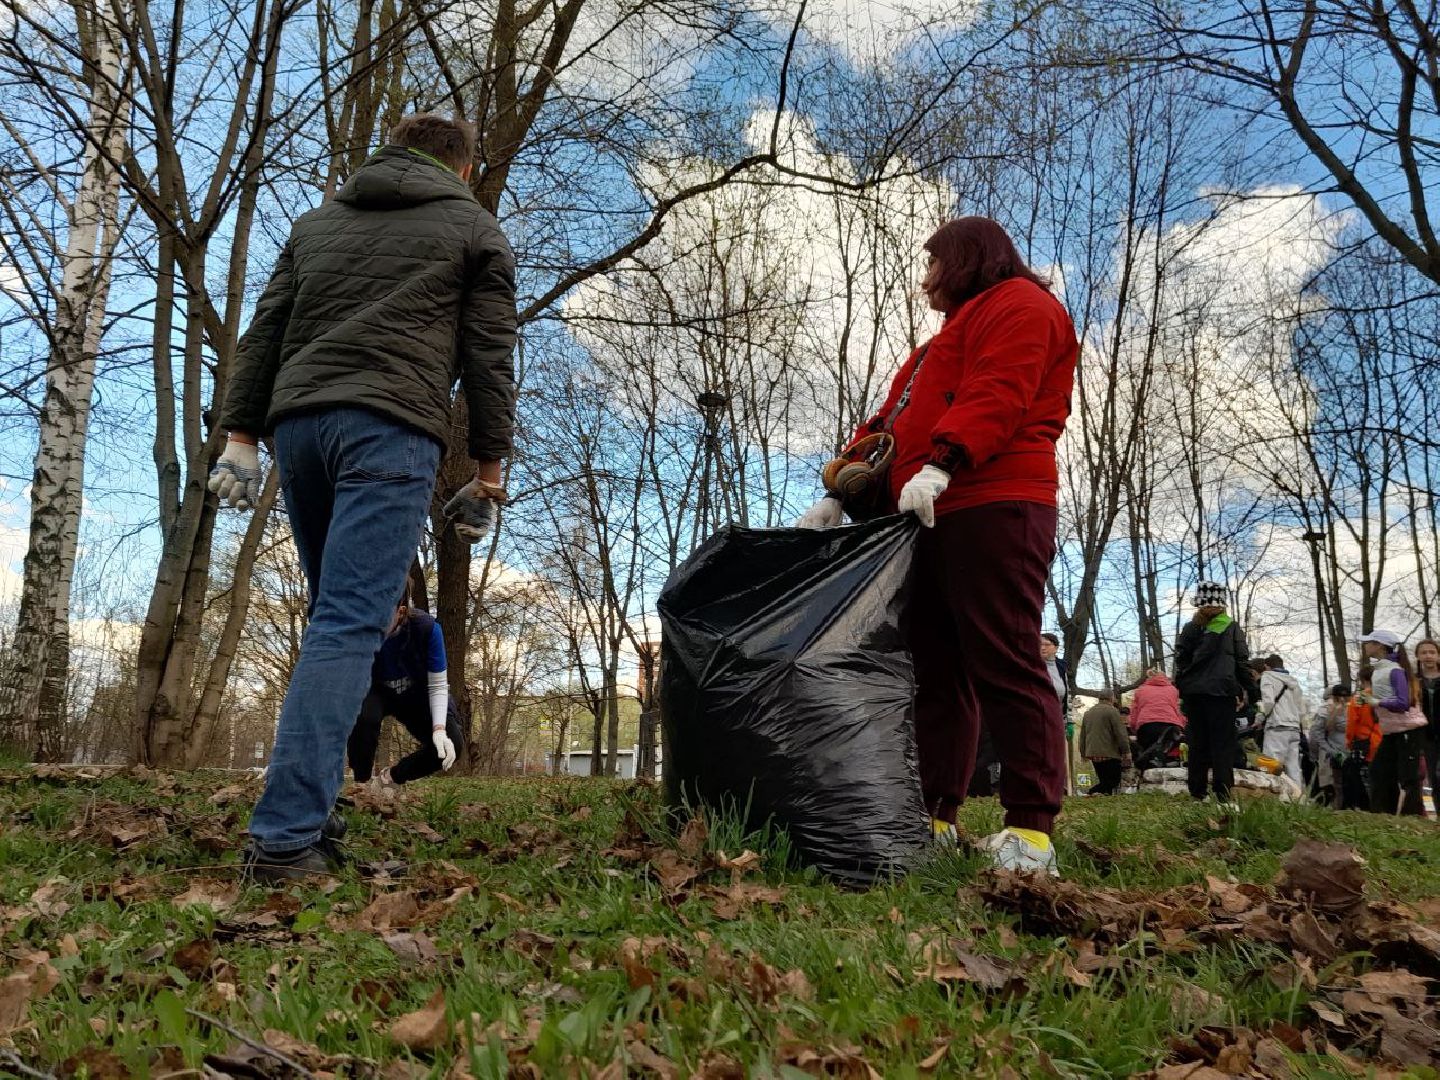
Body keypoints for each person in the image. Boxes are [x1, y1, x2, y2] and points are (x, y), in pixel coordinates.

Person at [211, 114, 517, 881]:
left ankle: (307, 803)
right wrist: (488, 473)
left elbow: (265, 331)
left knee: (337, 622)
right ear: (464, 167)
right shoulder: (475, 228)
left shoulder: (318, 223)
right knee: (351, 623)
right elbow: (489, 356)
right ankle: (283, 844)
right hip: (391, 429)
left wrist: (241, 437)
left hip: (301, 429)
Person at [796, 217, 1078, 874]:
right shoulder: (937, 344)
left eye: (933, 265)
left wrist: (947, 459)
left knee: (1006, 659)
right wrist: (841, 487)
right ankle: (934, 817)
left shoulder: (1022, 307)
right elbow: (889, 423)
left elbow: (999, 389)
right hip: (924, 513)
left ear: (966, 259)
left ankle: (1031, 831)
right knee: (937, 674)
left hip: (994, 501)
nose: (925, 280)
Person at [348, 599, 465, 793]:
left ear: (401, 612)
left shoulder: (427, 629)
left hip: (416, 692)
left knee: (452, 743)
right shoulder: (360, 630)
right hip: (376, 691)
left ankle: (392, 777)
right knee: (364, 719)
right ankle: (362, 784)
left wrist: (439, 729)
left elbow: (438, 685)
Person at [1174, 580, 1254, 803]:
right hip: (1222, 693)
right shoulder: (1230, 627)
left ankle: (1197, 792)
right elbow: (1242, 662)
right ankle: (1223, 793)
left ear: (1200, 604)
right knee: (1222, 744)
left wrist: (1182, 686)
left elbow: (1181, 660)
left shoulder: (1191, 628)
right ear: (1222, 605)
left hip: (1194, 694)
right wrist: (1251, 691)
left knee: (1197, 743)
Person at [1360, 630, 1426, 816]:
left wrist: (1377, 702)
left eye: (1369, 642)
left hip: (1408, 730)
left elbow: (1403, 703)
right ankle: (1383, 815)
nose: (1365, 646)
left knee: (1408, 777)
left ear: (1379, 645)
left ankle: (1412, 817)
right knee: (1379, 772)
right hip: (1391, 731)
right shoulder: (1378, 670)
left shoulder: (1395, 670)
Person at [1257, 654, 1306, 785]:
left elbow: (1268, 702)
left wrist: (1262, 717)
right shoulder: (1294, 682)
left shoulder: (1267, 677)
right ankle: (1297, 799)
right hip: (1294, 727)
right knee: (1293, 767)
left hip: (1276, 726)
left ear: (1267, 666)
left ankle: (1271, 797)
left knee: (1271, 764)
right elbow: (1301, 709)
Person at [1079, 690, 1132, 795]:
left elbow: (1083, 735)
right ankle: (1090, 792)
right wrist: (1126, 751)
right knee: (1113, 781)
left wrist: (1083, 752)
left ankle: (1105, 800)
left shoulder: (1088, 713)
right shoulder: (1112, 712)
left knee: (1104, 781)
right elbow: (1120, 733)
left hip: (1093, 753)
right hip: (1109, 752)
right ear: (1111, 698)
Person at [1344, 666, 1382, 809]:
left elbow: (1352, 721)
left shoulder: (1360, 697)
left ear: (1362, 679)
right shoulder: (1384, 695)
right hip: (1382, 740)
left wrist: (1349, 741)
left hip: (1363, 742)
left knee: (1359, 777)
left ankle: (1365, 806)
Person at [1308, 684, 1350, 806]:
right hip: (1331, 752)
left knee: (1340, 785)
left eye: (1345, 697)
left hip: (1341, 751)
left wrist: (1314, 755)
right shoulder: (1325, 710)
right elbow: (1318, 735)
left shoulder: (1353, 708)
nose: (1342, 700)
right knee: (1332, 786)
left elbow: (1315, 736)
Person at [1128, 668, 1185, 755]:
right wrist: (1182, 725)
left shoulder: (1141, 690)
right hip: (1169, 726)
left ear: (1149, 677)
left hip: (1146, 726)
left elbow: (1135, 711)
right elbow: (1177, 709)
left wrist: (1133, 727)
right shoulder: (1173, 690)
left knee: (1148, 754)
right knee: (1169, 754)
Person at [1416, 639, 1440, 810]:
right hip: (1424, 736)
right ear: (1418, 656)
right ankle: (1433, 812)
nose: (1428, 656)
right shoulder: (1414, 681)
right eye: (1423, 652)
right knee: (1429, 776)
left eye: (1432, 652)